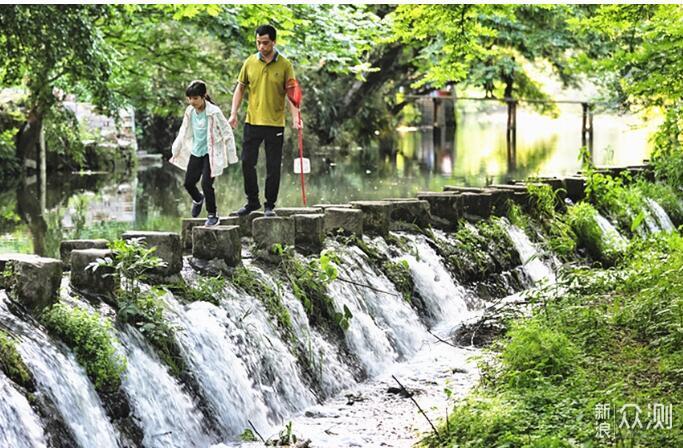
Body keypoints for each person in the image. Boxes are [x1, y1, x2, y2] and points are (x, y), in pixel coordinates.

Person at [228, 24, 303, 217]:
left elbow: (292, 94)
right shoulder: (249, 62)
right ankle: (252, 202)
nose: (261, 46)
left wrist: (296, 118)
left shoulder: (285, 65)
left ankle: (269, 205)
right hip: (252, 121)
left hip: (275, 124)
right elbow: (240, 88)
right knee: (247, 163)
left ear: (274, 42)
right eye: (258, 42)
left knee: (272, 167)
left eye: (265, 43)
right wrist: (233, 113)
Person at [170, 80, 238, 226]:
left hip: (211, 153)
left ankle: (212, 214)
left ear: (203, 96)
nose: (192, 102)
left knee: (207, 183)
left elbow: (227, 131)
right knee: (188, 183)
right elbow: (183, 131)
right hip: (196, 152)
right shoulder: (189, 111)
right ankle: (198, 198)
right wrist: (176, 147)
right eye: (190, 98)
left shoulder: (214, 112)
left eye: (195, 98)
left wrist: (231, 154)